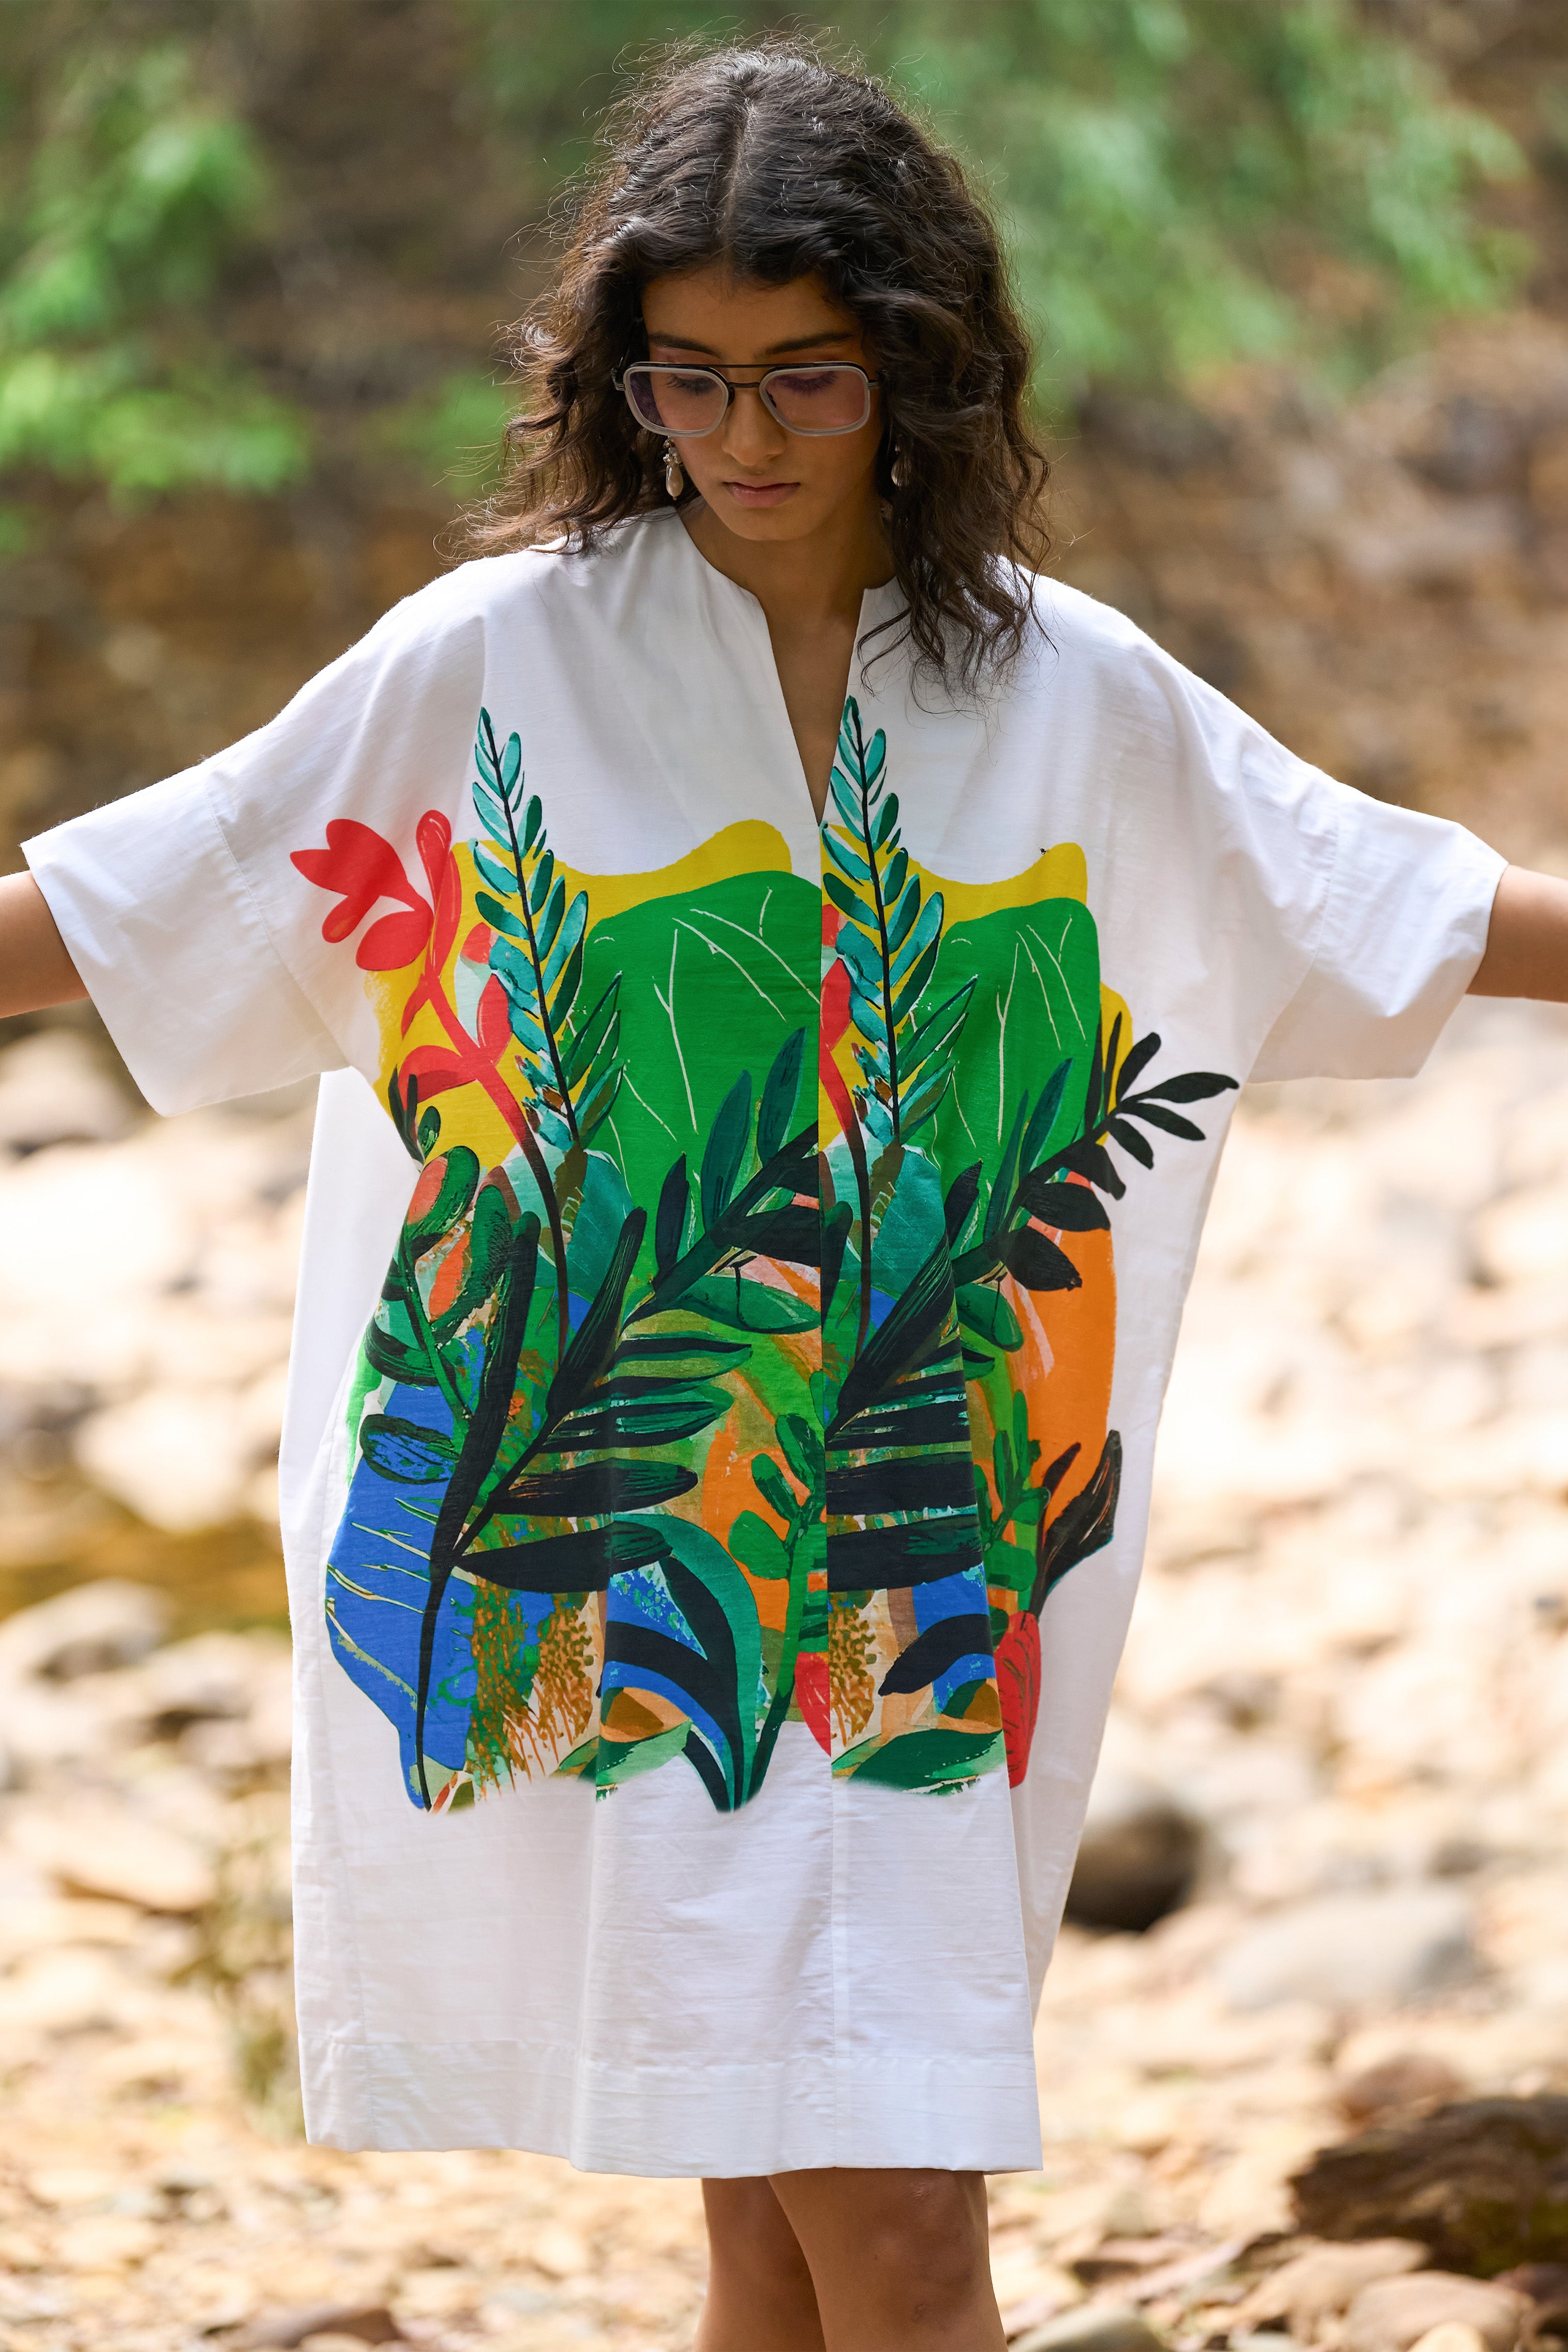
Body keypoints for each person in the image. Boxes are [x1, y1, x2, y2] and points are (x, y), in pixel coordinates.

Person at [4, 35, 1566, 2352]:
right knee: (884, 2221)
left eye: (805, 379)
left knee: (804, 2212)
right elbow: (150, 898)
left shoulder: (1065, 691)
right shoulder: (497, 660)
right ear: (623, 377)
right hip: (620, 1538)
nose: (741, 439)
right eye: (691, 380)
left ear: (918, 369)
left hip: (930, 1561)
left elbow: (1392, 901)